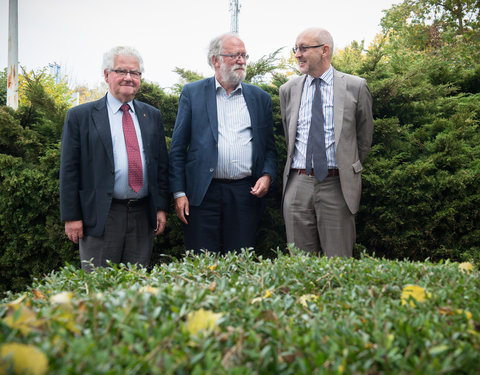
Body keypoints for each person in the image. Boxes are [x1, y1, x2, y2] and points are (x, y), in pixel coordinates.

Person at [60, 46, 169, 271]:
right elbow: (69, 170)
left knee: (136, 288)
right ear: (107, 75)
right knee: (98, 288)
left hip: (142, 215)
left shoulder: (152, 116)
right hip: (100, 216)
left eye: (135, 73)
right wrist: (71, 217)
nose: (129, 78)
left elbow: (160, 166)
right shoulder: (80, 116)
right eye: (122, 71)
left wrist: (160, 208)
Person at [169, 32, 277, 254]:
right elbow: (178, 148)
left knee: (240, 262)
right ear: (215, 60)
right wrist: (179, 193)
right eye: (234, 55)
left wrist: (266, 175)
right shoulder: (192, 93)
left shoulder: (260, 98)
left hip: (244, 193)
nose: (241, 60)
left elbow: (269, 149)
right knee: (201, 262)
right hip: (202, 194)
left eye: (244, 55)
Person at [280, 27, 374, 257]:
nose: (297, 54)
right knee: (300, 266)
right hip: (297, 184)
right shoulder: (288, 90)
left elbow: (364, 138)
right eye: (296, 49)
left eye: (303, 48)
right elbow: (289, 136)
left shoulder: (356, 86)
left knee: (339, 263)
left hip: (337, 185)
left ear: (324, 50)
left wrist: (347, 166)